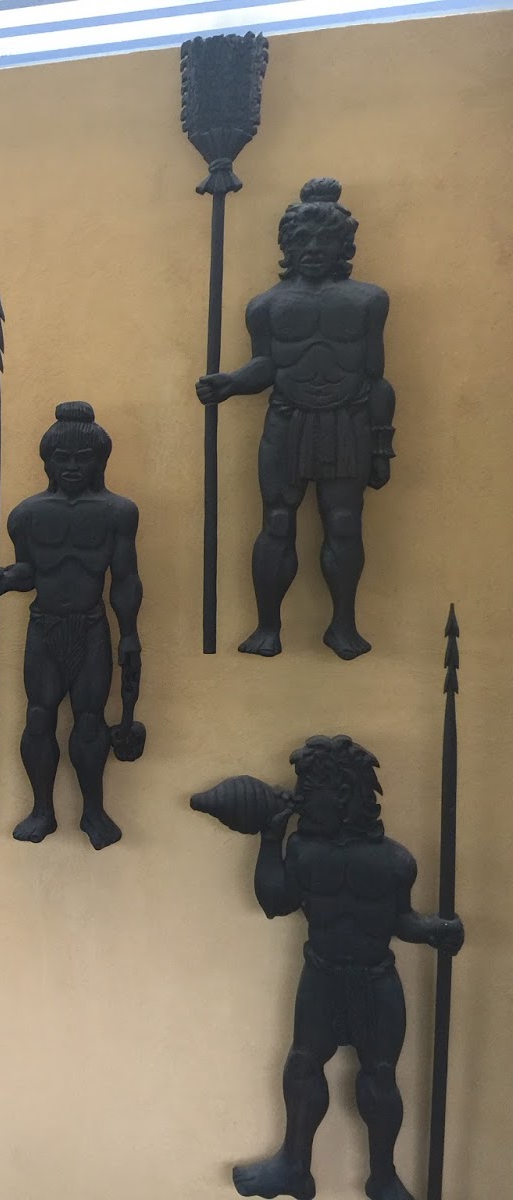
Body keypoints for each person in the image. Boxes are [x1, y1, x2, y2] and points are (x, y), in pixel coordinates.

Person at [233, 736, 463, 1200]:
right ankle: (294, 1166)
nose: (298, 797)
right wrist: (270, 839)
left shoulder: (395, 861)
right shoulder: (302, 850)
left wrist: (437, 930)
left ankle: (383, 1176)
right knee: (302, 1065)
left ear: (340, 794)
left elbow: (400, 921)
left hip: (376, 980)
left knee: (380, 1076)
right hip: (322, 974)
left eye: (308, 788)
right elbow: (276, 902)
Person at [196, 179, 394, 660]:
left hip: (347, 418)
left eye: (325, 239)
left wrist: (382, 445)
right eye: (302, 239)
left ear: (343, 246)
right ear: (286, 245)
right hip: (287, 419)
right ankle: (268, 626)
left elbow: (375, 377)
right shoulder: (265, 306)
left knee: (343, 522)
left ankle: (342, 624)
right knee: (277, 521)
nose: (313, 249)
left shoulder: (369, 301)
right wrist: (230, 383)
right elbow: (267, 366)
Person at [0, 403, 141, 849]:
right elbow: (29, 574)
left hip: (90, 627)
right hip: (45, 627)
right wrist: (2, 580)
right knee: (38, 716)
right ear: (47, 462)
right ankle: (42, 810)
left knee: (90, 720)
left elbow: (125, 579)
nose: (71, 467)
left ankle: (93, 811)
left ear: (99, 461)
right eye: (62, 458)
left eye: (82, 458)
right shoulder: (27, 515)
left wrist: (129, 634)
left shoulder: (118, 512)